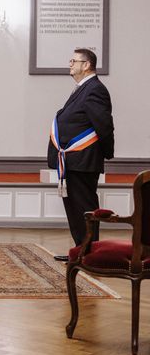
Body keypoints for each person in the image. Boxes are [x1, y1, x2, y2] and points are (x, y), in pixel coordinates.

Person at [47, 48, 114, 262]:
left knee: (85, 208)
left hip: (84, 160)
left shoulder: (95, 89)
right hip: (73, 161)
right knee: (74, 209)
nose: (70, 64)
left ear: (86, 65)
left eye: (73, 61)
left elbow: (103, 125)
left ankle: (90, 253)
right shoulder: (82, 88)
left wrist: (106, 153)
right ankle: (80, 251)